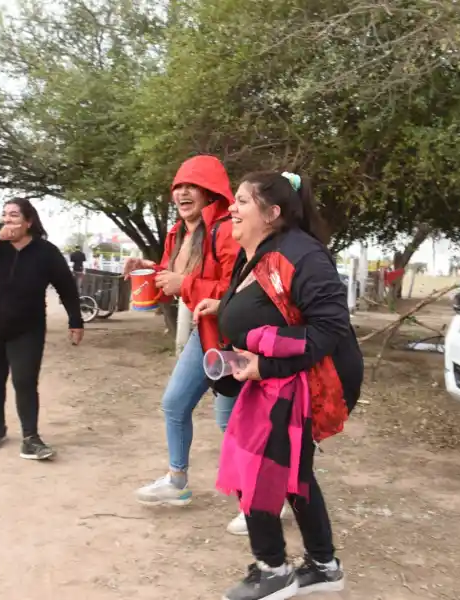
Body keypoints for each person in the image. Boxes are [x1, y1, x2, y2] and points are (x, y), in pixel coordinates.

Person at [193, 171, 363, 600]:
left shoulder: (303, 255)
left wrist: (266, 364)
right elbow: (263, 303)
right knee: (295, 472)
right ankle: (324, 566)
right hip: (273, 379)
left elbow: (330, 328)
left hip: (306, 382)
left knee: (256, 468)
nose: (231, 208)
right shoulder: (256, 252)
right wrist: (224, 307)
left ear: (272, 213)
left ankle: (273, 570)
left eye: (242, 201)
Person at [126, 155, 247, 529]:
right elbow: (172, 277)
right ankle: (176, 482)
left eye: (191, 186)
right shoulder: (178, 233)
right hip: (206, 333)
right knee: (175, 404)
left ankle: (261, 500)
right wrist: (149, 269)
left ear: (210, 192)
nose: (182, 193)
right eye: (178, 186)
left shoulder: (226, 230)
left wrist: (187, 285)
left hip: (236, 338)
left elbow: (241, 289)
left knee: (231, 422)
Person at [0, 201, 85, 460]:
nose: (8, 220)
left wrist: (75, 321)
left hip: (28, 328)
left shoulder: (46, 252)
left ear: (28, 221)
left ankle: (30, 438)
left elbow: (66, 287)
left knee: (25, 380)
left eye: (14, 215)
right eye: (4, 215)